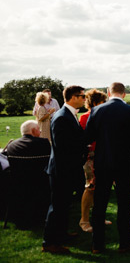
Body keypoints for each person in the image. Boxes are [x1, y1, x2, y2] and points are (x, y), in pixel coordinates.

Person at [85, 82, 130, 254]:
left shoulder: (97, 110)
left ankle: (97, 244)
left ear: (108, 93)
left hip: (103, 162)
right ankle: (125, 243)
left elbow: (89, 136)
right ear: (124, 94)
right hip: (125, 162)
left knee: (100, 203)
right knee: (124, 204)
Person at [42, 85, 86, 254]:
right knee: (57, 207)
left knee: (65, 205)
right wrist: (83, 148)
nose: (84, 99)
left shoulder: (69, 114)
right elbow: (62, 147)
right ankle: (49, 242)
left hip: (67, 169)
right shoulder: (61, 117)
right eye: (81, 96)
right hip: (61, 170)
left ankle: (61, 234)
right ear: (72, 97)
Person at [3, 120, 51, 227]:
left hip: (18, 184)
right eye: (39, 129)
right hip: (41, 184)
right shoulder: (43, 143)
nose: (40, 131)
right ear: (33, 131)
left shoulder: (12, 146)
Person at [78, 89, 109, 233]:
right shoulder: (85, 117)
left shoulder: (101, 115)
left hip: (102, 155)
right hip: (91, 156)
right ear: (95, 103)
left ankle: (98, 217)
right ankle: (84, 220)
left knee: (100, 188)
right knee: (90, 188)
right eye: (103, 102)